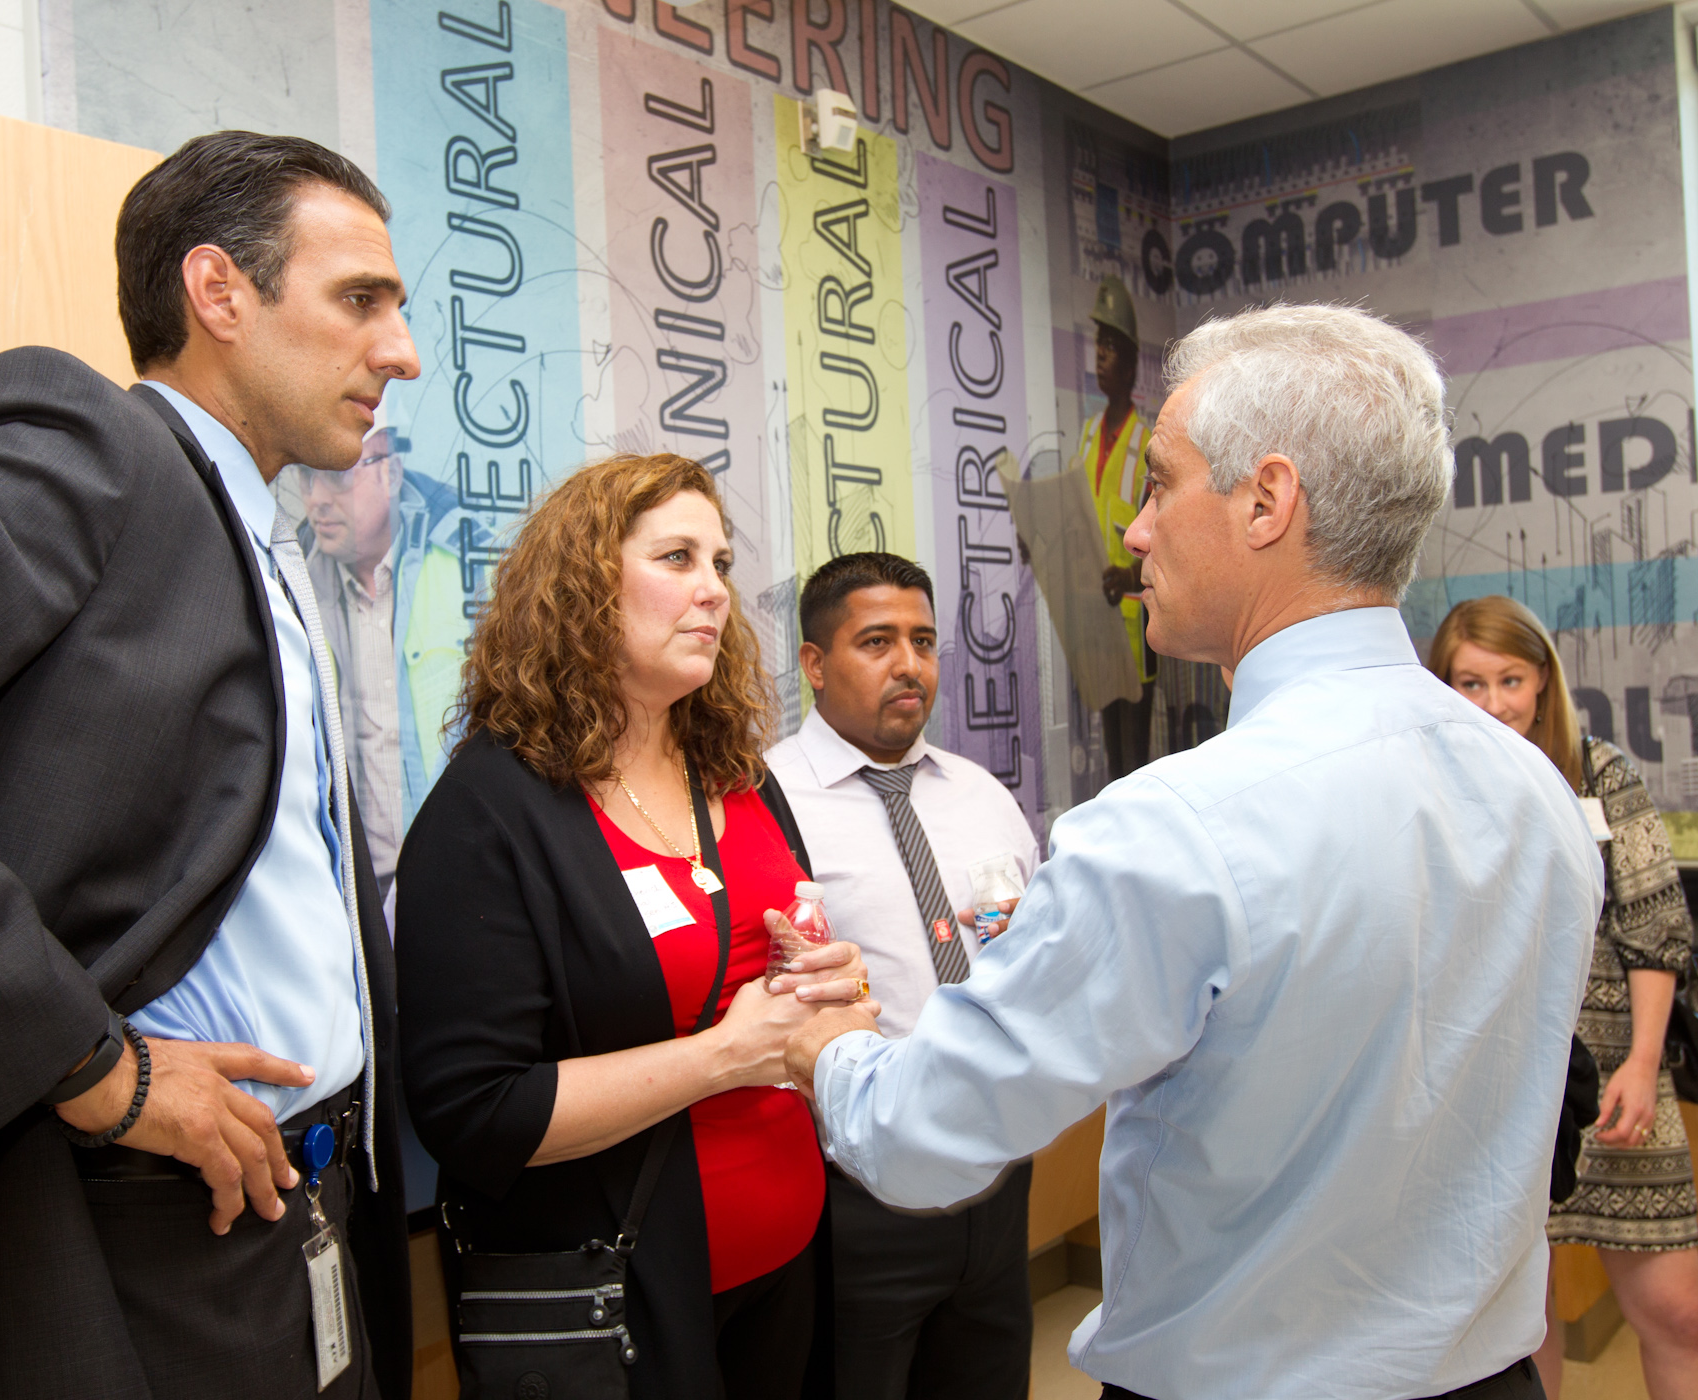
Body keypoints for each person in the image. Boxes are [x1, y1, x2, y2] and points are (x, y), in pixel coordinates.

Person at [784, 304, 1607, 1400]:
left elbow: (920, 1136)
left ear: (1267, 501)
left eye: (1160, 484)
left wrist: (832, 1043)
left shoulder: (1179, 827)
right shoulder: (1538, 791)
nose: (1133, 530)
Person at [0, 130, 419, 1399]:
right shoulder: (94, 445)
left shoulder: (265, 547)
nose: (400, 351)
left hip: (273, 1226)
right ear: (219, 292)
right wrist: (84, 1063)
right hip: (99, 1234)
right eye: (360, 299)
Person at [398, 452, 875, 1400]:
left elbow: (786, 969)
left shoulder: (737, 773)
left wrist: (835, 985)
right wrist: (724, 1058)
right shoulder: (490, 810)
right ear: (580, 588)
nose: (714, 593)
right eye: (677, 559)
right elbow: (473, 1111)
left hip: (789, 1263)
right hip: (619, 1298)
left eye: (723, 565)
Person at [1428, 596, 1698, 1400]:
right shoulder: (1436, 783)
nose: (1493, 702)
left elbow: (1654, 923)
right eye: (1468, 682)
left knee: (1675, 1313)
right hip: (1503, 1082)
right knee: (1523, 1323)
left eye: (1510, 678)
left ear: (1543, 681)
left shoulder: (1599, 773)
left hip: (1620, 1078)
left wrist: (1640, 1060)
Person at [765, 552, 1041, 1400]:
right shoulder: (761, 805)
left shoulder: (980, 794)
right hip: (854, 1195)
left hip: (995, 1178)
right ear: (815, 664)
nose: (909, 664)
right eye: (876, 641)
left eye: (923, 640)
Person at [295, 426, 465, 906]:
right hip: (349, 887)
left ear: (389, 473)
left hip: (458, 871)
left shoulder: (467, 553)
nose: (317, 500)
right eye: (306, 480)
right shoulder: (291, 579)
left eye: (336, 479)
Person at [1079, 276, 1157, 779]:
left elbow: (1167, 533)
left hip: (1137, 622)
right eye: (1098, 346)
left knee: (1135, 754)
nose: (1101, 356)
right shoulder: (1088, 434)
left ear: (1129, 363)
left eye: (1111, 348)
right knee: (1112, 754)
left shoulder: (1149, 442)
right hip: (1095, 620)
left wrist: (1132, 575)